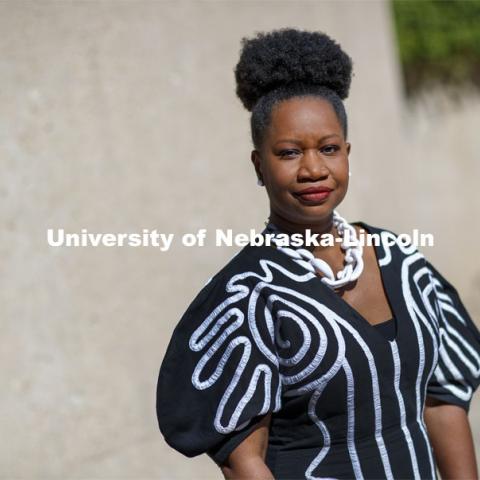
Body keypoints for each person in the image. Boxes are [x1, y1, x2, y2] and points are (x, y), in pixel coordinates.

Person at [156, 28, 480, 479]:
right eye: (289, 153)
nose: (313, 169)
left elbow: (443, 403)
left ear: (346, 153)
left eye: (328, 149)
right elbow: (245, 460)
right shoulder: (251, 297)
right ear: (259, 166)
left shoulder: (403, 264)